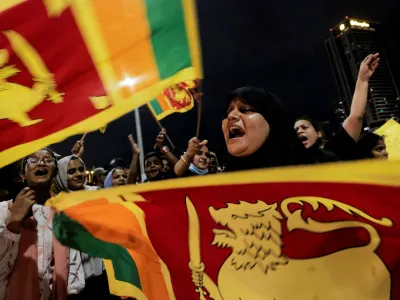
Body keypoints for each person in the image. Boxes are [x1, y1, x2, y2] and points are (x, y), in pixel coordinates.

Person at [0, 149, 86, 300]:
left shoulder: (64, 214)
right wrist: (14, 222)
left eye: (48, 160)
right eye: (33, 160)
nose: (41, 163)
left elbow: (73, 266)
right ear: (22, 174)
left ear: (55, 172)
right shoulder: (4, 211)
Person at [294, 53, 380, 161]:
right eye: (296, 130)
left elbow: (356, 116)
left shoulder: (333, 149)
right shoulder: (293, 161)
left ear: (319, 134)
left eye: (304, 127)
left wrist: (362, 79)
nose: (299, 131)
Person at [221, 86, 312, 171]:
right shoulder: (218, 183)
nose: (230, 115)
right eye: (228, 112)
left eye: (245, 109)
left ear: (272, 122)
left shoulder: (306, 176)